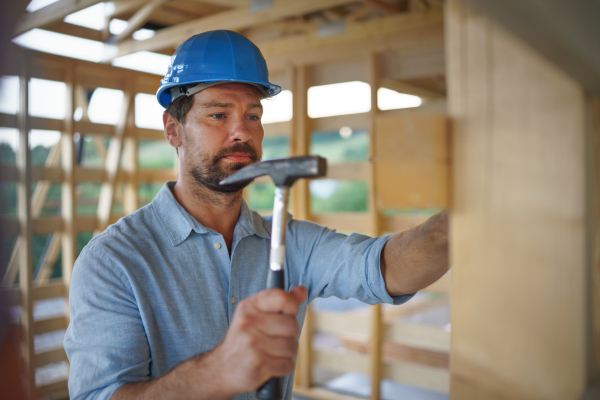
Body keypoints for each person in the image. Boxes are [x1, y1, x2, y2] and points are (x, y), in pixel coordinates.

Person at [64, 30, 449, 400]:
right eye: (218, 115)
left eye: (252, 116)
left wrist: (458, 226)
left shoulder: (287, 242)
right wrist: (216, 372)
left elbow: (387, 268)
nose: (241, 133)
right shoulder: (113, 261)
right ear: (173, 130)